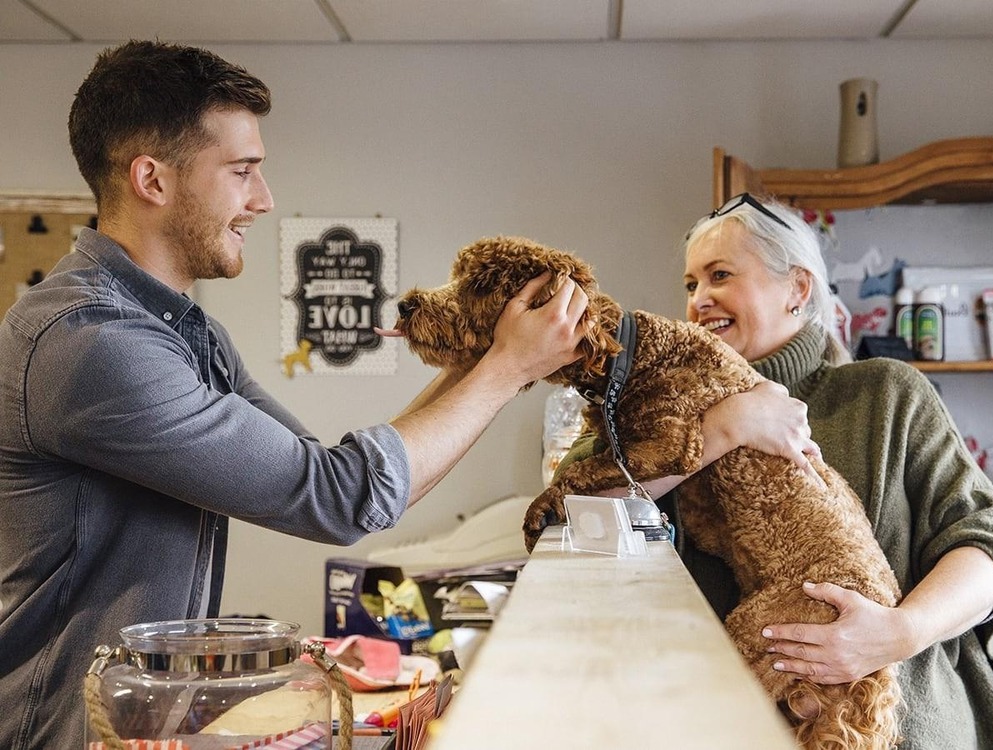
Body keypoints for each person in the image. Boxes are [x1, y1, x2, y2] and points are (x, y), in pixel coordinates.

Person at [0, 41, 590, 750]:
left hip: (139, 726)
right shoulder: (90, 343)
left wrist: (489, 361)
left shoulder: (188, 334)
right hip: (54, 730)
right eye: (242, 172)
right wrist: (503, 369)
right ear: (152, 179)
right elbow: (339, 497)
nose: (263, 199)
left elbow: (337, 475)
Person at [563, 193, 993, 748]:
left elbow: (987, 547)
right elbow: (573, 516)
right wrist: (725, 426)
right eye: (691, 284)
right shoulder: (662, 411)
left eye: (720, 274)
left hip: (905, 729)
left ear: (797, 289)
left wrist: (898, 633)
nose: (700, 299)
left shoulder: (884, 396)